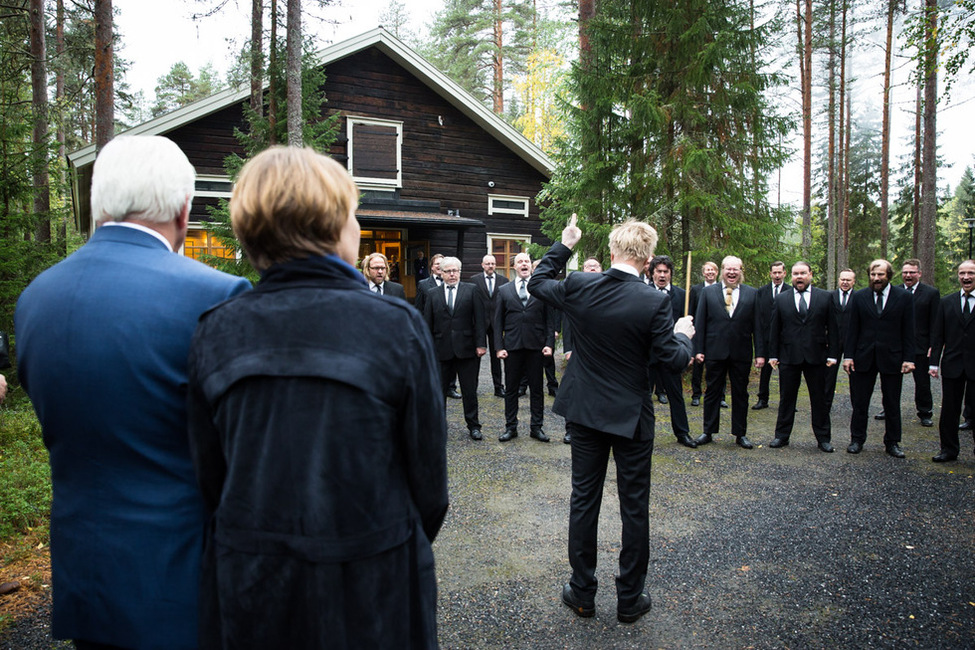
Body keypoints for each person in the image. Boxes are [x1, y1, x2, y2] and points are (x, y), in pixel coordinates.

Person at [186, 147, 448, 648]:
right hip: (375, 587)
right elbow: (429, 485)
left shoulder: (217, 330)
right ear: (335, 229)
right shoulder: (396, 327)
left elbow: (211, 481)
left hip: (252, 588)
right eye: (352, 215)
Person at [15, 135, 252, 649]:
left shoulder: (36, 297)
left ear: (98, 201)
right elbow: (247, 449)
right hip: (184, 580)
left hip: (85, 572)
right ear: (184, 210)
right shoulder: (216, 295)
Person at [530, 216, 694, 624]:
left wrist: (565, 244)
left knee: (584, 501)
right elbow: (672, 361)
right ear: (648, 258)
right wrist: (684, 334)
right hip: (631, 417)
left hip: (585, 412)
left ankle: (582, 593)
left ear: (613, 251)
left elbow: (537, 282)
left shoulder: (582, 286)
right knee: (634, 507)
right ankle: (629, 599)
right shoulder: (655, 301)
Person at [843, 259, 915, 458]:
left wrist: (909, 358)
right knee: (860, 402)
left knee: (892, 402)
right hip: (863, 357)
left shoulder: (904, 297)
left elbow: (909, 330)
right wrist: (848, 356)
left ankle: (892, 442)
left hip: (892, 357)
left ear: (889, 276)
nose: (876, 279)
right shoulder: (859, 297)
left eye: (880, 275)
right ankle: (857, 439)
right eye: (873, 275)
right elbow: (852, 329)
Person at [693, 256, 766, 449]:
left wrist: (760, 353)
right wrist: (698, 349)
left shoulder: (753, 294)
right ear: (722, 271)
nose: (732, 273)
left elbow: (758, 326)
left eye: (736, 269)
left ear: (741, 271)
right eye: (728, 269)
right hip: (715, 351)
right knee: (712, 392)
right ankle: (708, 431)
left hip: (741, 353)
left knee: (741, 393)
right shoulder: (708, 293)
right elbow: (700, 323)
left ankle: (740, 434)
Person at [766, 262, 839, 452]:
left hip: (817, 357)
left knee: (819, 399)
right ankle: (781, 436)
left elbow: (833, 329)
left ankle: (823, 438)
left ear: (810, 275)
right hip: (789, 357)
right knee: (786, 398)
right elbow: (775, 329)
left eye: (803, 273)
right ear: (791, 276)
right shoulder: (782, 299)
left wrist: (833, 355)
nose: (799, 277)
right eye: (796, 274)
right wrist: (773, 354)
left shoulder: (825, 297)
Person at [424, 256, 487, 440]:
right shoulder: (432, 294)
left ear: (460, 272)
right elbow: (427, 323)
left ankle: (474, 426)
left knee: (469, 391)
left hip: (467, 350)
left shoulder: (472, 290)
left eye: (455, 271)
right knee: (439, 392)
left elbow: (480, 320)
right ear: (441, 273)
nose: (452, 274)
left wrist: (481, 344)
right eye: (448, 271)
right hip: (440, 350)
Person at [495, 252, 555, 442]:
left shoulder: (541, 289)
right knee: (511, 389)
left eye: (526, 261)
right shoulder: (504, 290)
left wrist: (549, 344)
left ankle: (536, 427)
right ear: (514, 267)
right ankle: (510, 427)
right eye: (520, 262)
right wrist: (498, 347)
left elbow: (549, 321)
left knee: (537, 390)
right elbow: (497, 322)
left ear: (530, 266)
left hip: (536, 347)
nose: (523, 264)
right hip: (512, 347)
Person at [646, 255, 697, 449]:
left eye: (665, 272)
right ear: (652, 274)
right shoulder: (644, 293)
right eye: (658, 271)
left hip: (671, 354)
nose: (662, 275)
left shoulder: (682, 295)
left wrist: (688, 350)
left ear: (670, 274)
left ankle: (682, 433)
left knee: (676, 395)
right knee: (643, 396)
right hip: (648, 355)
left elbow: (690, 326)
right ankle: (640, 432)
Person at [927, 259, 975, 462]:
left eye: (971, 273)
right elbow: (938, 336)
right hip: (953, 364)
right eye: (962, 273)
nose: (966, 277)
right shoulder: (947, 302)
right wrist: (933, 363)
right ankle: (948, 450)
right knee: (949, 410)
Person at [887, 259, 939, 427]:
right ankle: (888, 408)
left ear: (919, 273)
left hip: (921, 345)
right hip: (896, 345)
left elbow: (935, 322)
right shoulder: (894, 292)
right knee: (891, 381)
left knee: (922, 382)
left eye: (912, 272)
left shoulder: (931, 293)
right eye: (905, 272)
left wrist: (933, 345)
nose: (908, 275)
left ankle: (925, 412)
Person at [688, 261, 726, 408]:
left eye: (713, 270)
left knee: (720, 366)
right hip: (700, 331)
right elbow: (691, 310)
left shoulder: (723, 288)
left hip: (717, 333)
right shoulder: (696, 289)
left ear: (717, 272)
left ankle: (720, 396)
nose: (710, 272)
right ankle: (696, 395)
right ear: (703, 273)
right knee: (698, 366)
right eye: (707, 270)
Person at [754, 261, 790, 410]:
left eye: (779, 272)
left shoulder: (791, 291)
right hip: (767, 337)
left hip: (785, 340)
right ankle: (763, 399)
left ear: (784, 273)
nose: (776, 275)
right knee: (765, 371)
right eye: (774, 272)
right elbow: (758, 318)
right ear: (770, 274)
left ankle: (786, 402)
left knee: (787, 373)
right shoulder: (761, 292)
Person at [472, 254, 509, 397]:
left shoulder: (503, 281)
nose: (490, 266)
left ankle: (498, 387)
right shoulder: (474, 281)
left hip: (496, 323)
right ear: (482, 265)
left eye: (493, 263)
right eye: (487, 264)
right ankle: (472, 387)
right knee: (476, 357)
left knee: (497, 357)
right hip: (479, 323)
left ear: (496, 265)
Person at [825, 268, 856, 412]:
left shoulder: (859, 297)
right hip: (832, 342)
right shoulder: (829, 297)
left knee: (855, 376)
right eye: (842, 279)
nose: (845, 282)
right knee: (828, 377)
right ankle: (825, 406)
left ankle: (857, 407)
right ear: (838, 280)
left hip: (852, 342)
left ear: (853, 282)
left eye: (848, 280)